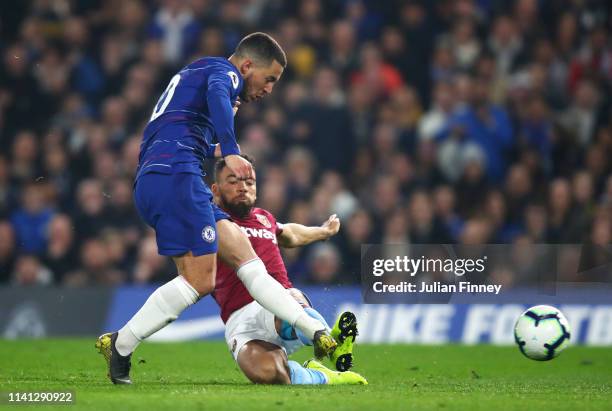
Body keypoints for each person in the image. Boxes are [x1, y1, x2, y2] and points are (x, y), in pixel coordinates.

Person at [96, 33, 335, 385]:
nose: (269, 90)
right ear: (248, 65)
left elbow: (187, 128)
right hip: (179, 174)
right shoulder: (224, 71)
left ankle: (314, 330)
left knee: (237, 255)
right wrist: (231, 146)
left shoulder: (195, 81)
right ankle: (122, 344)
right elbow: (219, 93)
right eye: (269, 79)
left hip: (153, 180)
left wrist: (214, 139)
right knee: (204, 278)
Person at [211, 156, 366, 385]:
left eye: (250, 182)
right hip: (239, 318)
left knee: (289, 297)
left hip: (279, 302)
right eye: (233, 181)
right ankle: (323, 375)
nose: (243, 187)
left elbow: (291, 234)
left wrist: (323, 232)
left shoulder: (265, 219)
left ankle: (332, 344)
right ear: (215, 189)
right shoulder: (211, 223)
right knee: (270, 374)